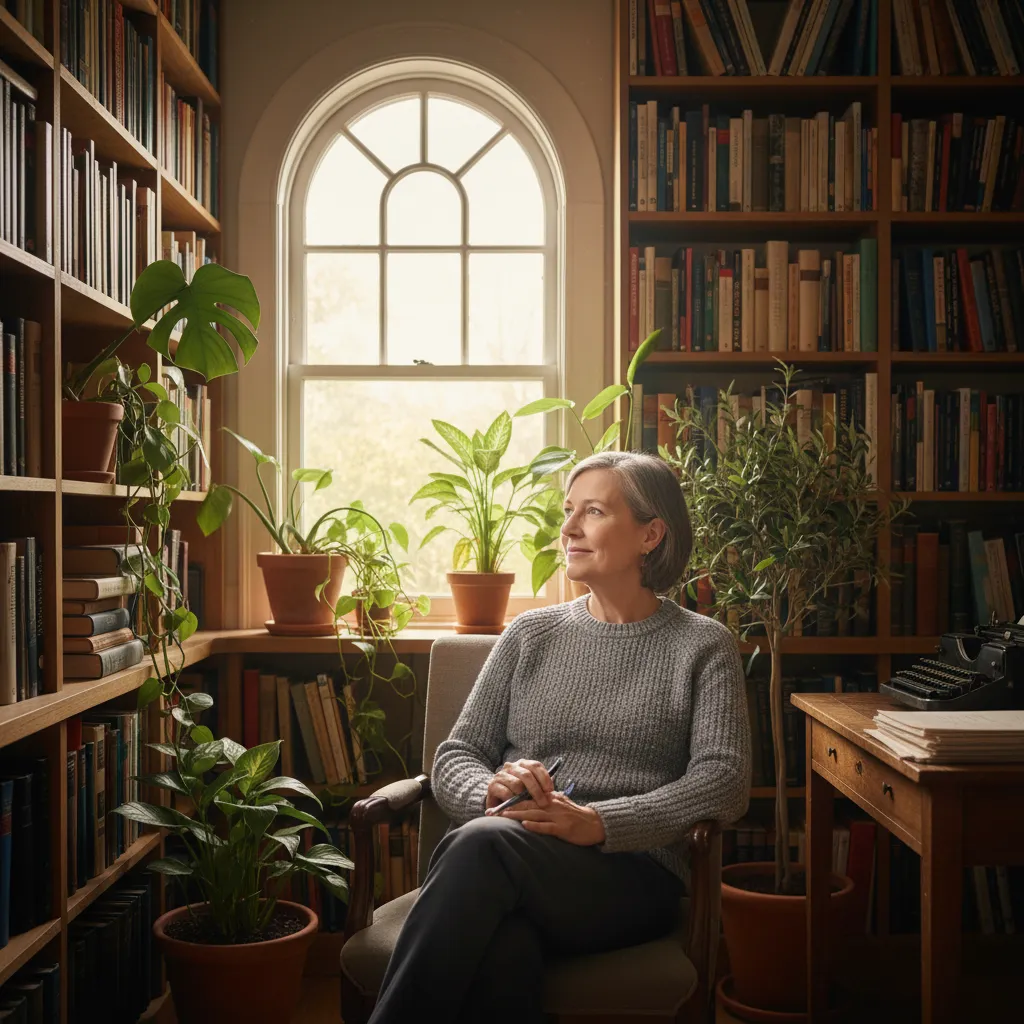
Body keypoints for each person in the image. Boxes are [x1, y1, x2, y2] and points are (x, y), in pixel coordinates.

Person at [367, 451, 751, 1024]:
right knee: (505, 943)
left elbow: (724, 782)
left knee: (479, 849)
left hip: (629, 875)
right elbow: (456, 755)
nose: (568, 528)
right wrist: (491, 790)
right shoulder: (531, 633)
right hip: (511, 857)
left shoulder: (702, 644)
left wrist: (600, 822)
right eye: (568, 511)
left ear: (651, 534)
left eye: (592, 512)